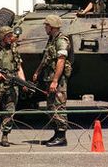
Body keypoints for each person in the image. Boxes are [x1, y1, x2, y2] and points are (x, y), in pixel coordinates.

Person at [33, 15, 72, 147]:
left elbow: (61, 60)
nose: (45, 28)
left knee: (59, 106)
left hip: (58, 80)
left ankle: (62, 137)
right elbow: (46, 59)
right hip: (49, 78)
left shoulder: (61, 40)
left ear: (52, 26)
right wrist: (37, 72)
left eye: (46, 25)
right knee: (51, 107)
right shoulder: (52, 40)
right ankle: (56, 134)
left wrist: (55, 80)